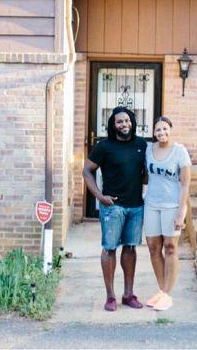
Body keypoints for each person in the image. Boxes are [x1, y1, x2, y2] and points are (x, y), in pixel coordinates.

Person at [83, 106, 148, 312]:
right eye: (119, 121)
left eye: (127, 121)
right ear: (113, 125)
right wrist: (100, 197)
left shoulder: (141, 145)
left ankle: (128, 295)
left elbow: (145, 173)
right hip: (113, 207)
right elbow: (86, 171)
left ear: (132, 123)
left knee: (130, 248)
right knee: (110, 248)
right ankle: (110, 296)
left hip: (136, 206)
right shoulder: (104, 146)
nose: (124, 124)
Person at [143, 116, 192, 312]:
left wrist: (181, 212)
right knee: (154, 248)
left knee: (170, 247)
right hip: (152, 205)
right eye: (158, 130)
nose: (161, 133)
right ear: (153, 132)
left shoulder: (180, 152)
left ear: (170, 130)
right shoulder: (149, 149)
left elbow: (186, 184)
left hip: (172, 206)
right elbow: (145, 175)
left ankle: (167, 295)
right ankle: (162, 291)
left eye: (164, 129)